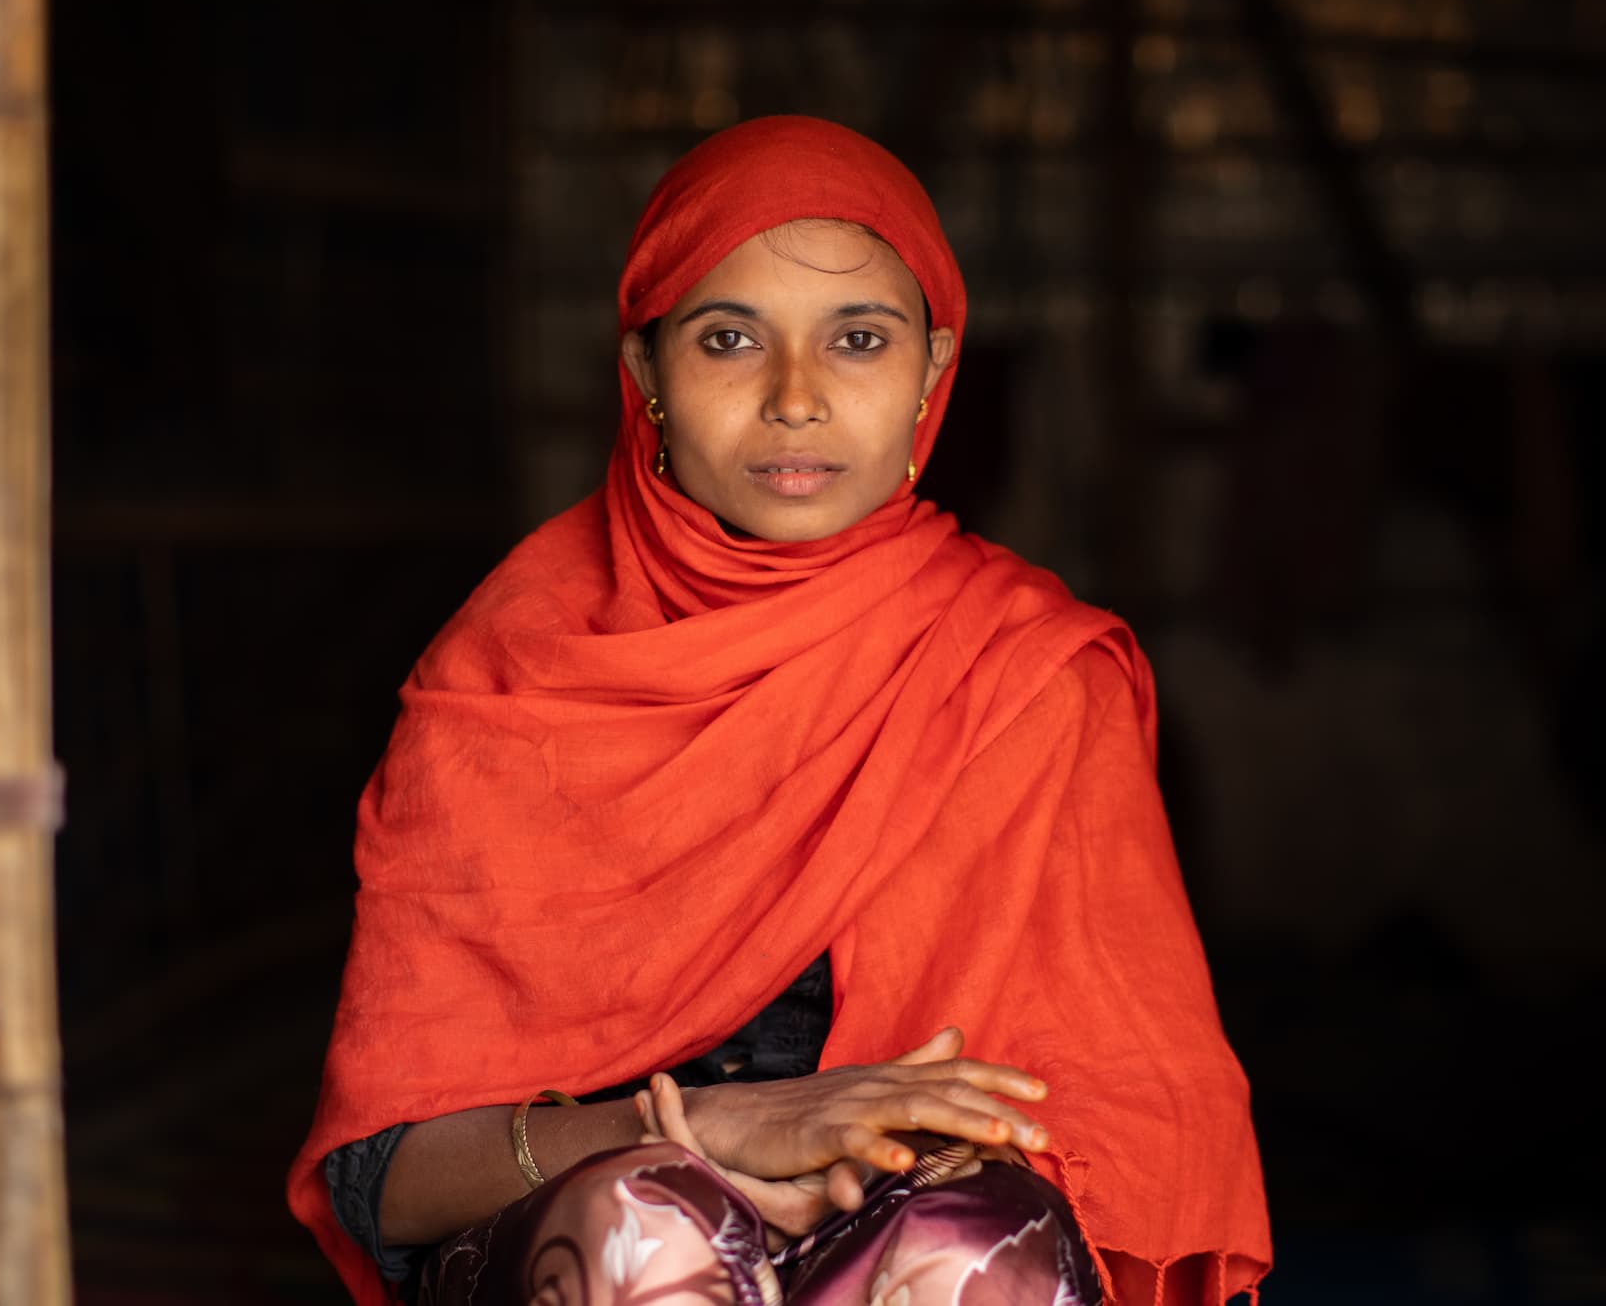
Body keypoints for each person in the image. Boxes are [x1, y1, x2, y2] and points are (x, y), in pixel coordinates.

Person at [287, 116, 1268, 1306]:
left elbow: (1132, 1116)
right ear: (647, 375)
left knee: (970, 1248)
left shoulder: (1026, 674)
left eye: (857, 340)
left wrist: (875, 1162)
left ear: (930, 375)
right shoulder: (507, 679)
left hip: (890, 1233)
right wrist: (709, 1131)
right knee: (647, 1227)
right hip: (594, 1244)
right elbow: (382, 1175)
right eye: (729, 339)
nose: (796, 399)